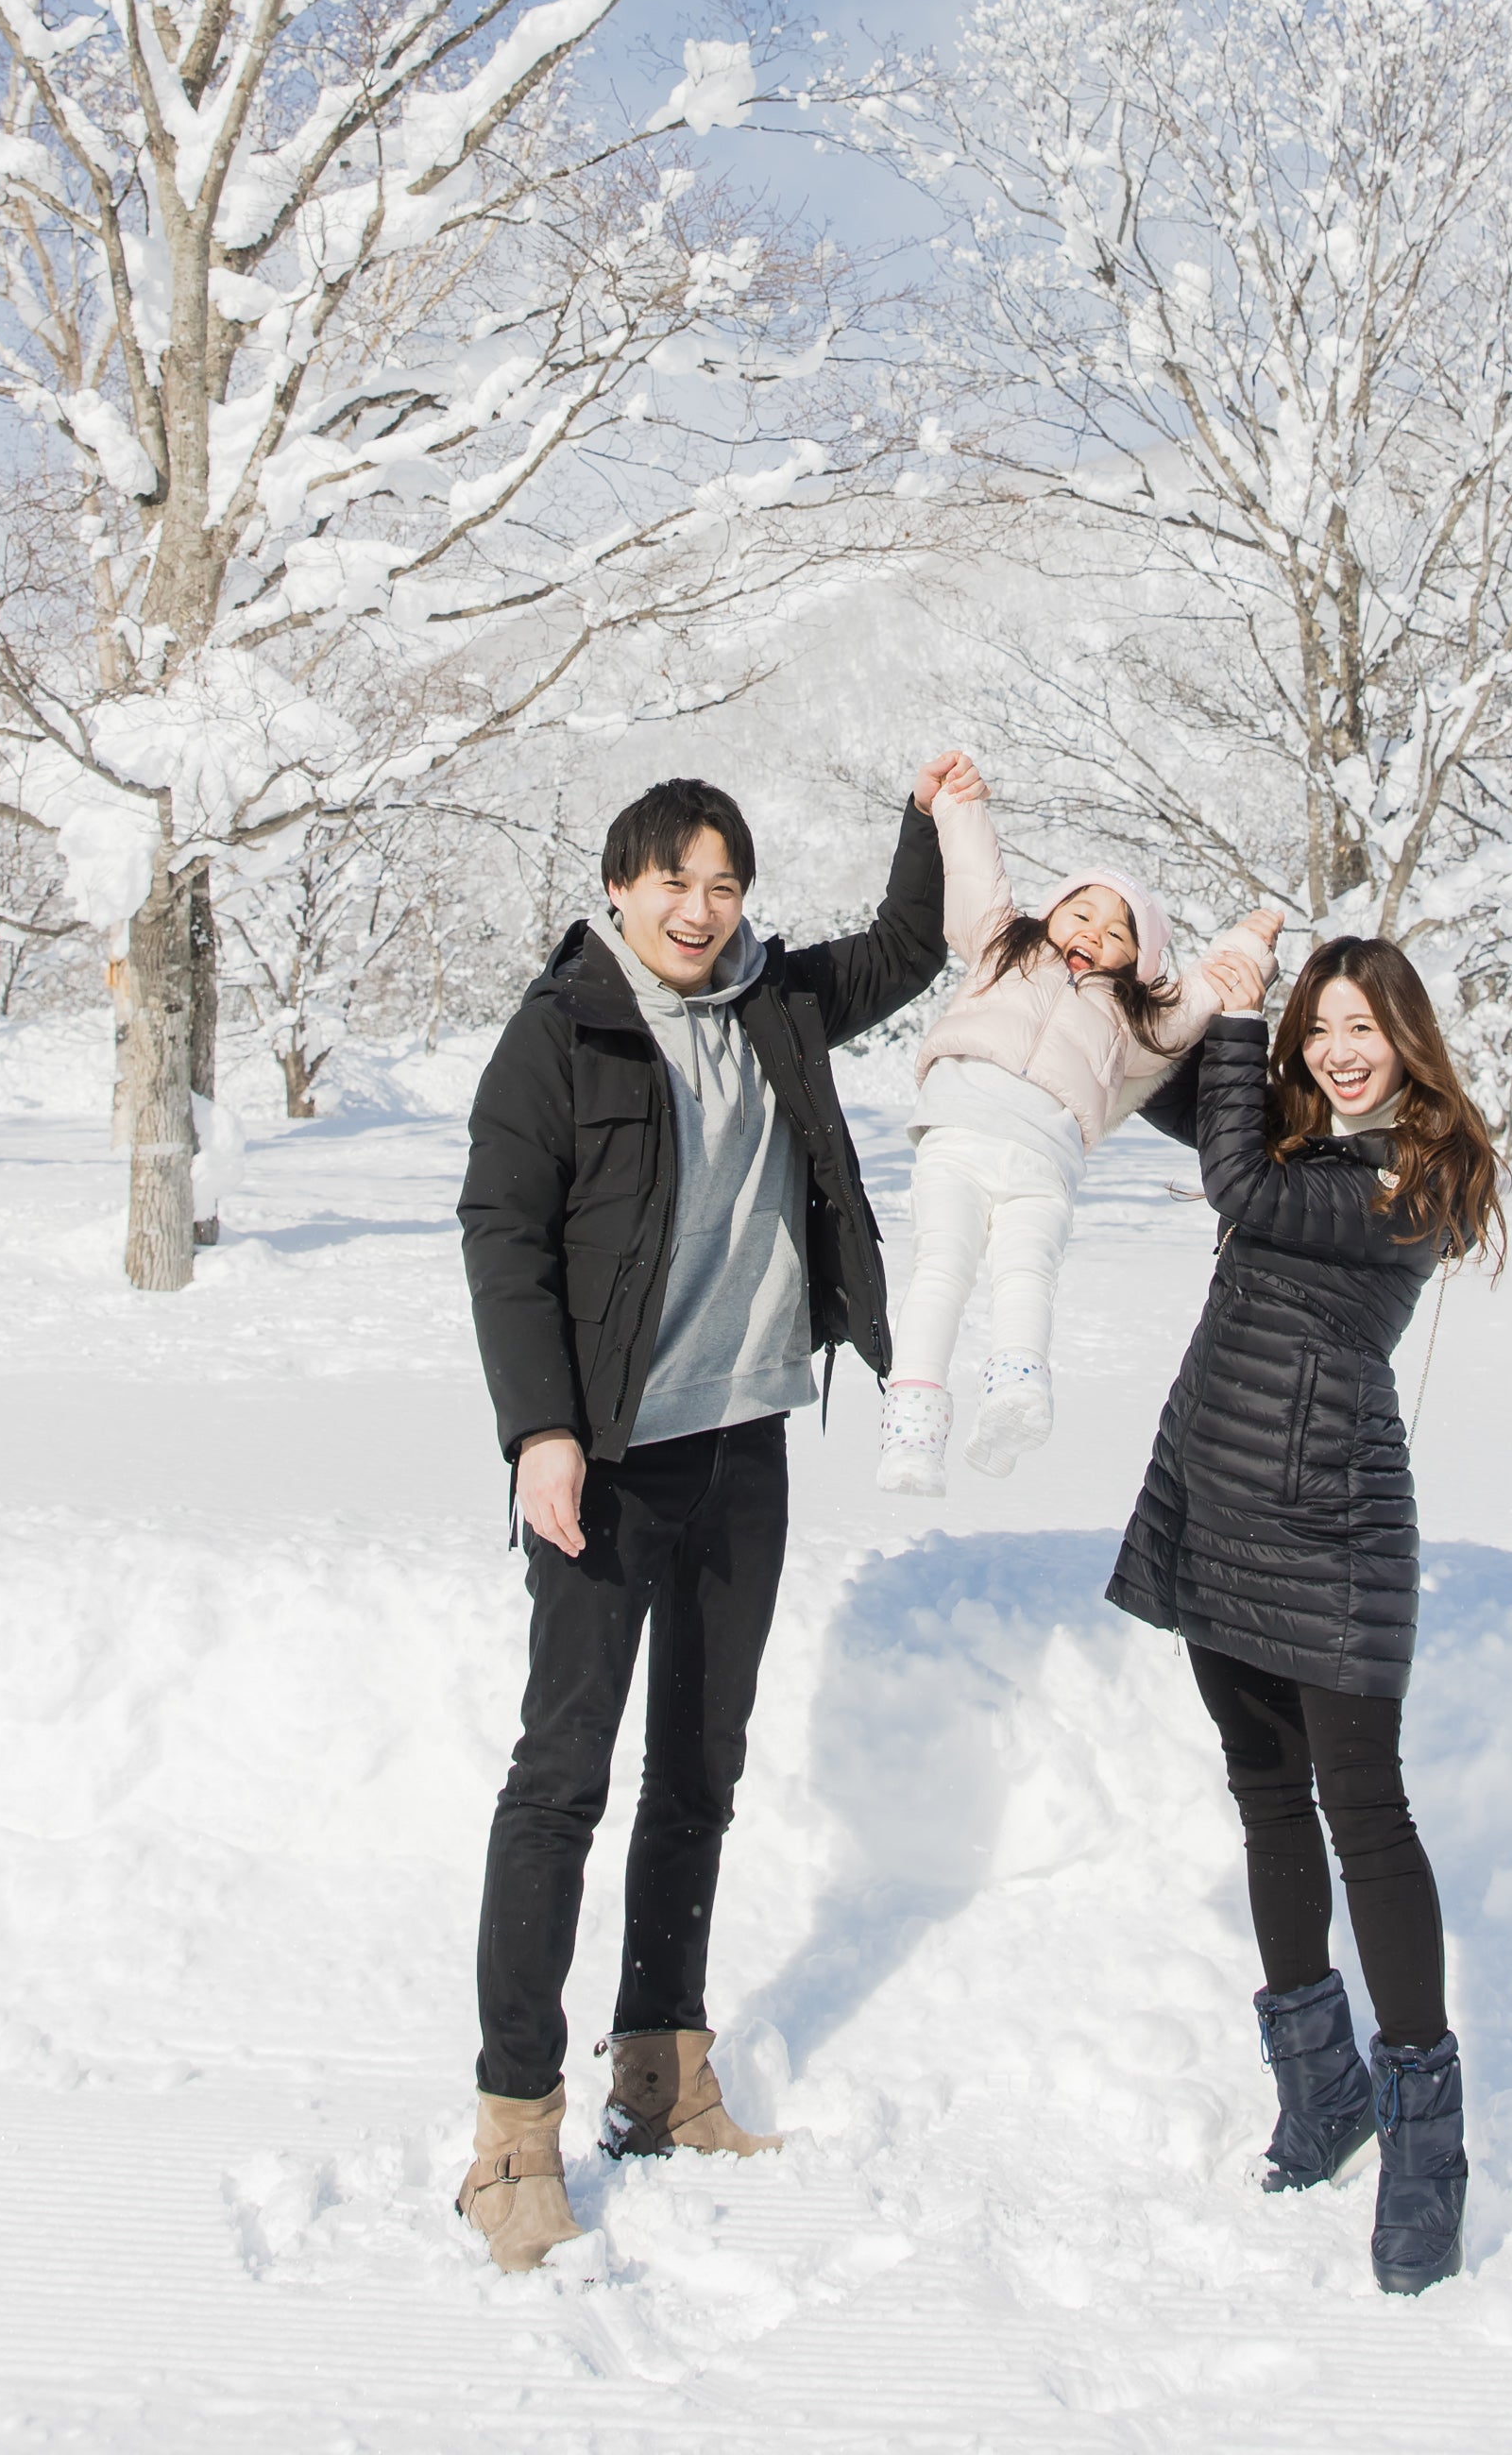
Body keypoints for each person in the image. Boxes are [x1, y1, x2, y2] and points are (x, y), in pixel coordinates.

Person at [449, 756, 963, 2270]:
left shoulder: (774, 1004)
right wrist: (538, 1430)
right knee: (560, 1783)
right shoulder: (560, 1034)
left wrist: (931, 821)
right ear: (618, 889)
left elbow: (911, 951)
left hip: (746, 1444)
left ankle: (661, 2082)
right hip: (606, 1463)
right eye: (672, 880)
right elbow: (501, 1237)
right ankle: (511, 2139)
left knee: (698, 1776)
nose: (697, 906)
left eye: (723, 880)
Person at [1108, 933, 1504, 2297]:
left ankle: (1424, 2142)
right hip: (1217, 1504)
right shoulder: (1297, 1144)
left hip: (1330, 1524)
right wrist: (1137, 985)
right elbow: (1171, 1100)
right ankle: (1317, 2085)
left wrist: (1236, 1022)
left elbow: (1226, 1174)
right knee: (1265, 1797)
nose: (1338, 1049)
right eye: (1317, 1028)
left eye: (1362, 1028)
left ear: (1405, 1040)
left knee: (1365, 1814)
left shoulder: (1416, 1177)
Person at [877, 769, 1280, 1493]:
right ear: (1049, 913)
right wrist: (957, 802)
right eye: (1079, 912)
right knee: (940, 1271)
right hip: (961, 1135)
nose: (1092, 932)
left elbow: (1201, 991)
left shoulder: (1133, 1022)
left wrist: (1249, 943)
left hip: (1042, 1160)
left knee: (1026, 1274)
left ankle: (1016, 1391)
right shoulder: (1003, 945)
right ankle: (912, 1428)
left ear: (1138, 960)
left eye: (1117, 931)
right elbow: (973, 873)